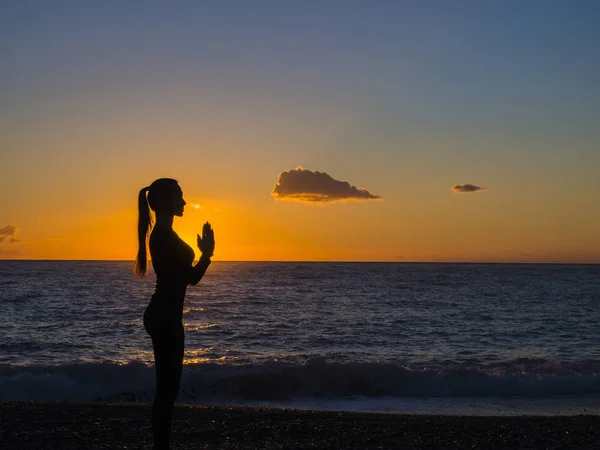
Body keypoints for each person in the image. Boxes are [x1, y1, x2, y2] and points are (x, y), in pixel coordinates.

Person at [134, 178, 215, 449]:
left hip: (165, 315)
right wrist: (206, 255)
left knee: (169, 389)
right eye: (179, 197)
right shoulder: (162, 237)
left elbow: (186, 278)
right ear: (167, 201)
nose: (184, 202)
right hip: (165, 317)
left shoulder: (165, 234)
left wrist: (204, 254)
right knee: (167, 390)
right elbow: (189, 278)